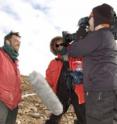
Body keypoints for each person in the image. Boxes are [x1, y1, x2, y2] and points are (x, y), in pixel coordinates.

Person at [67, 3, 117, 124]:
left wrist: (80, 32)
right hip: (108, 89)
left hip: (100, 91)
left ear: (96, 18)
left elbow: (73, 50)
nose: (88, 21)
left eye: (90, 18)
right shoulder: (107, 35)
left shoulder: (99, 35)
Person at [45, 36, 86, 124]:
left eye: (61, 42)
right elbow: (49, 81)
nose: (60, 45)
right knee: (54, 117)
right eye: (57, 44)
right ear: (54, 49)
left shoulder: (78, 56)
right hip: (61, 93)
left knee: (84, 117)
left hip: (78, 93)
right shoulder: (53, 63)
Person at [0, 31, 22, 124]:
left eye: (19, 42)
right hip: (2, 102)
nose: (19, 43)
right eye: (16, 41)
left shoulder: (15, 61)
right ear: (7, 42)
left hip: (13, 104)